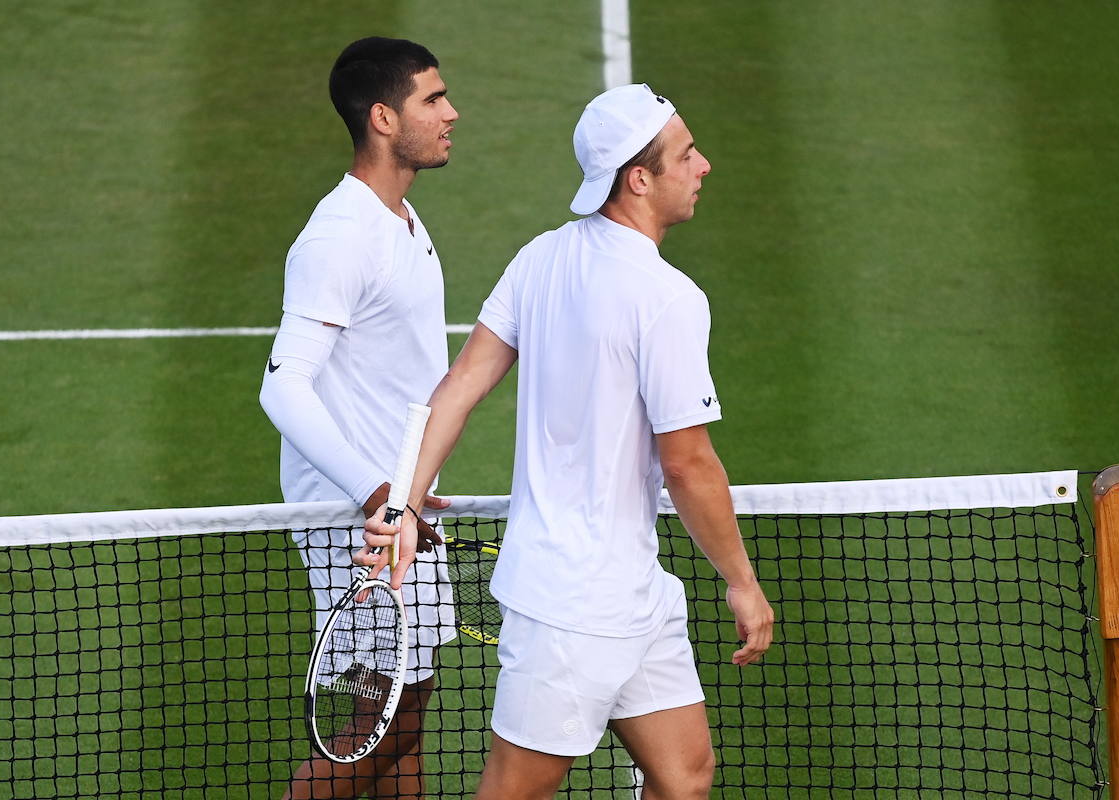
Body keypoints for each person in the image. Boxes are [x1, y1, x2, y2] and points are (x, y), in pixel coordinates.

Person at [359, 83, 775, 800]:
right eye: (687, 154)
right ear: (639, 179)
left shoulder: (541, 257)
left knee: (686, 777)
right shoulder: (668, 297)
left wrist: (402, 497)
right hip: (571, 610)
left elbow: (459, 385)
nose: (702, 166)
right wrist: (741, 581)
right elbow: (688, 460)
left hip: (636, 594)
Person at [258, 36, 459, 800]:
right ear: (382, 117)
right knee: (391, 723)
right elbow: (282, 390)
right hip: (362, 515)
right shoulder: (341, 234)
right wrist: (378, 493)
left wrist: (408, 484)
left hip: (394, 503)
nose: (451, 113)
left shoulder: (401, 219)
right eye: (432, 100)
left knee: (402, 718)